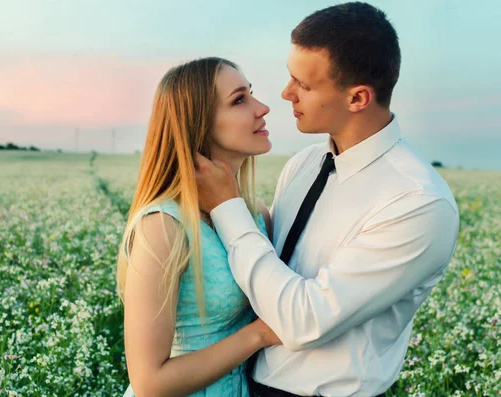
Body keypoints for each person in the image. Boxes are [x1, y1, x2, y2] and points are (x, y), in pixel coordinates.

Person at [195, 3, 460, 396]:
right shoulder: (303, 164)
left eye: (303, 84)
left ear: (358, 98)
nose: (285, 95)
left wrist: (226, 208)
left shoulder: (418, 203)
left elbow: (302, 322)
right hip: (243, 385)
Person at [117, 57, 281, 397]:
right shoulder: (162, 227)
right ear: (199, 125)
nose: (262, 108)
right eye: (239, 100)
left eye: (252, 94)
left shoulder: (257, 215)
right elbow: (149, 383)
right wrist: (260, 335)